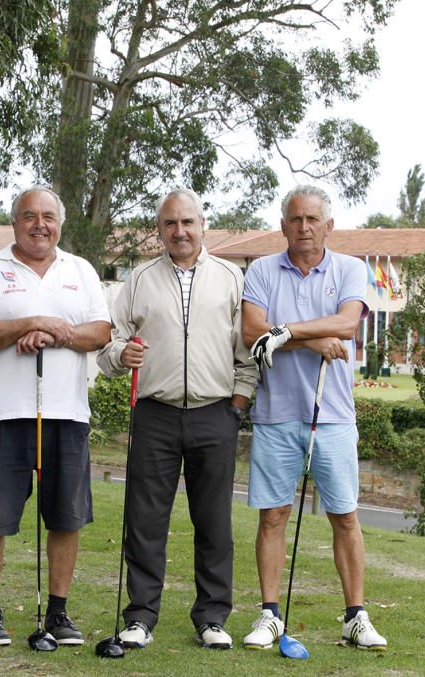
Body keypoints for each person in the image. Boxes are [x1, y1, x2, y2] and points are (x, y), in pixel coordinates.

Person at [97, 189, 257, 651]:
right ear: (160, 229)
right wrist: (119, 355)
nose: (180, 231)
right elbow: (111, 343)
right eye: (170, 224)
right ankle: (141, 616)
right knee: (144, 520)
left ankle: (211, 617)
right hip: (154, 413)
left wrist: (238, 405)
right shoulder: (140, 278)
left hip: (215, 413)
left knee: (214, 522)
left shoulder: (231, 276)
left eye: (187, 222)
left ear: (203, 224)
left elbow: (245, 352)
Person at [239, 185, 388, 651]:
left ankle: (355, 616)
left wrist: (282, 332)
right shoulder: (262, 270)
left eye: (313, 219)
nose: (304, 227)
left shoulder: (349, 268)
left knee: (345, 516)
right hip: (276, 414)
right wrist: (307, 340)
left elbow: (346, 325)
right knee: (274, 516)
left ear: (329, 225)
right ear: (283, 225)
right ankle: (269, 615)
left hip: (334, 415)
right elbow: (249, 334)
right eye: (296, 219)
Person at [0, 185, 111, 647]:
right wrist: (29, 324)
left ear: (60, 223)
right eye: (29, 215)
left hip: (66, 412)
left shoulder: (80, 270)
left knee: (66, 517)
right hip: (3, 415)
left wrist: (55, 333)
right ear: (15, 223)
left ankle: (59, 612)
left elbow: (102, 331)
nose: (39, 224)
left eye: (48, 216)